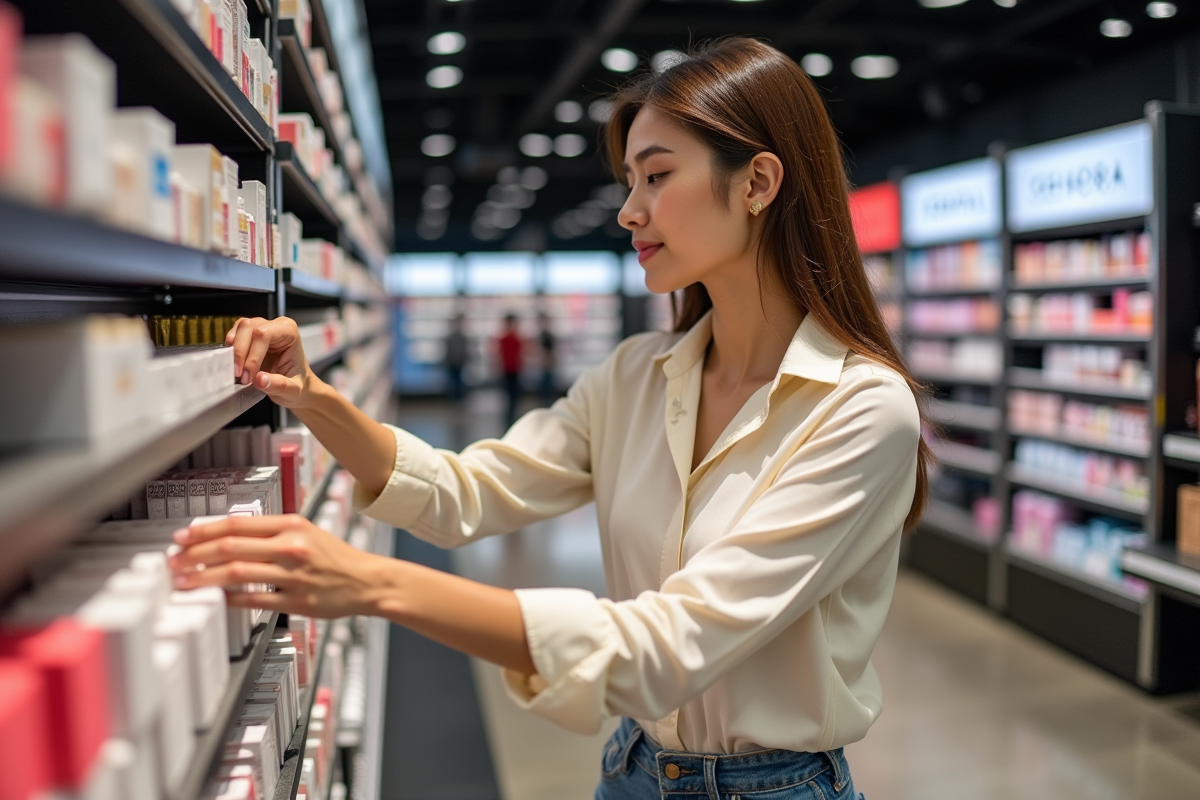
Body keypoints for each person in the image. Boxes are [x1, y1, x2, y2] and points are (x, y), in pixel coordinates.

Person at [169, 38, 930, 800]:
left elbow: (668, 646)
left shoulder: (860, 409)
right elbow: (462, 491)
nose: (629, 210)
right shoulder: (636, 375)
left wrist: (369, 582)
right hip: (632, 767)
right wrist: (311, 394)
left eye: (658, 176)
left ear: (759, 182)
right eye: (630, 181)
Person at [497, 313, 523, 426]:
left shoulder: (516, 338)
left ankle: (511, 415)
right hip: (507, 370)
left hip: (515, 370)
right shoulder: (505, 338)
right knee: (509, 394)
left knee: (513, 395)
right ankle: (509, 416)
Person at [444, 313, 468, 403]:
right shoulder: (451, 336)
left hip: (459, 362)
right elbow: (448, 349)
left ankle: (459, 398)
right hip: (452, 361)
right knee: (454, 381)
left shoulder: (462, 336)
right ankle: (454, 398)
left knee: (458, 381)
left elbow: (465, 350)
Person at [537, 313, 557, 406]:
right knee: (545, 391)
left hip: (548, 366)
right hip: (545, 366)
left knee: (548, 390)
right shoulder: (543, 335)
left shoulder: (547, 335)